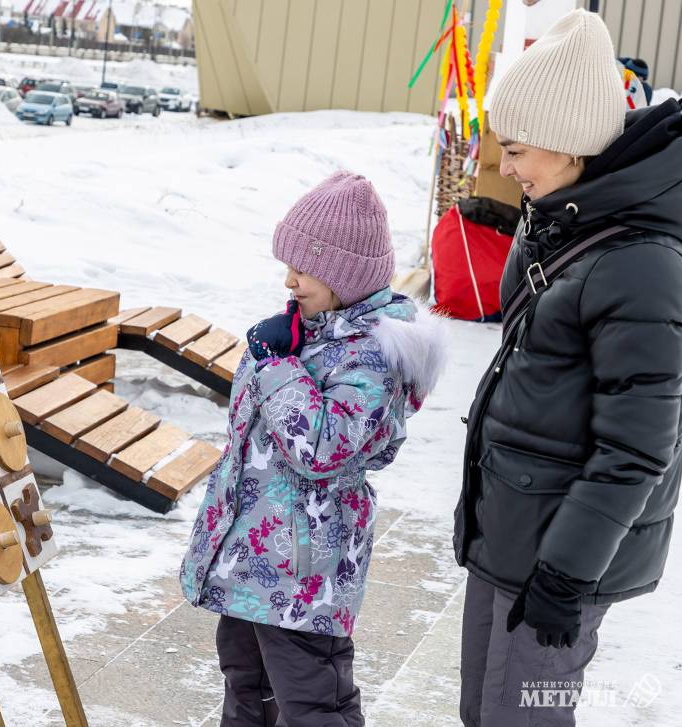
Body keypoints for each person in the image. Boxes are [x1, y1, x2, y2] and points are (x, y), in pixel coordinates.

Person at [455, 9, 682, 726]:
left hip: (562, 557)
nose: (508, 166)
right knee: (481, 711)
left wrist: (565, 574)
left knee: (524, 718)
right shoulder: (566, 217)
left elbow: (639, 447)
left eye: (516, 150)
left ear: (568, 143)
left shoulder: (642, 265)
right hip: (512, 529)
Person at [179, 170, 444, 726]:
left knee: (312, 702)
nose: (290, 280)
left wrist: (277, 366)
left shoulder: (372, 356)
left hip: (303, 572)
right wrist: (273, 357)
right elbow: (248, 432)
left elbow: (320, 447)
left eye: (304, 268)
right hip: (254, 560)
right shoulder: (314, 333)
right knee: (245, 688)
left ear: (343, 274)